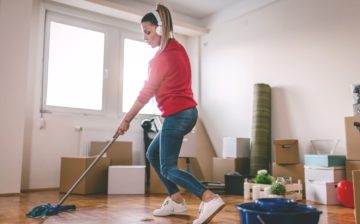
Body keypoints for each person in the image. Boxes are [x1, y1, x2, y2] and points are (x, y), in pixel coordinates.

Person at [115, 3, 225, 224]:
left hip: (177, 115)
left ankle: (208, 197)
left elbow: (146, 93)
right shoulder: (178, 48)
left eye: (148, 32)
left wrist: (126, 120)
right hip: (187, 113)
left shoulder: (159, 59)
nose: (145, 38)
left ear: (161, 28)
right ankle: (175, 199)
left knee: (168, 167)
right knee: (152, 154)